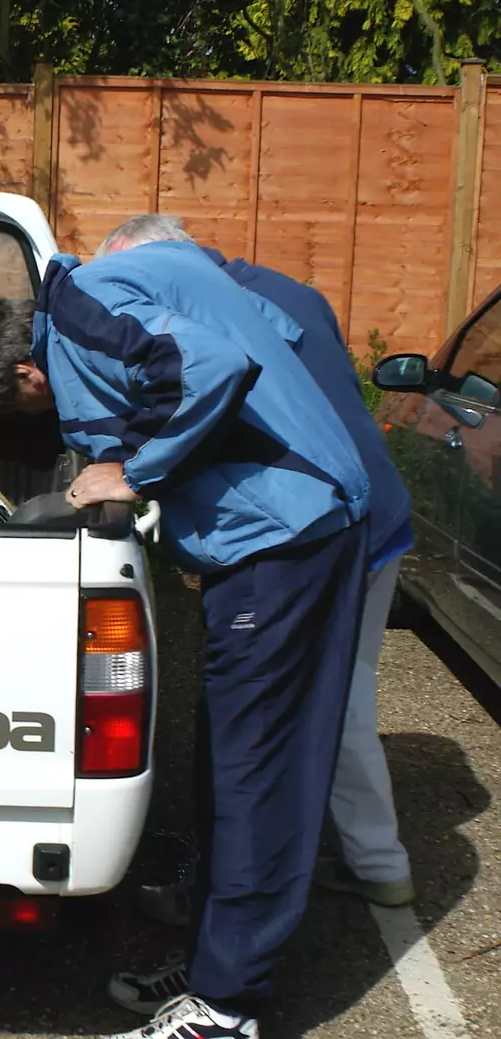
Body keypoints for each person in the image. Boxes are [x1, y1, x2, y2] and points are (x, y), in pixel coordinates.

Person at [0, 241, 372, 1039]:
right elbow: (270, 322)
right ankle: (217, 962)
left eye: (35, 413)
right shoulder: (120, 281)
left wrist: (133, 470)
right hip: (288, 527)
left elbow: (210, 365)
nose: (54, 427)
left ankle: (226, 1008)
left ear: (28, 373)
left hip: (284, 539)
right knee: (224, 758)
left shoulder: (84, 314)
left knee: (255, 772)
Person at [94, 214, 417, 1015]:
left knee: (318, 720)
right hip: (345, 514)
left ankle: (372, 870)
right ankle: (229, 934)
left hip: (328, 528)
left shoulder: (203, 312)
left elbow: (220, 404)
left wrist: (134, 467)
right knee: (285, 729)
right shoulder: (284, 292)